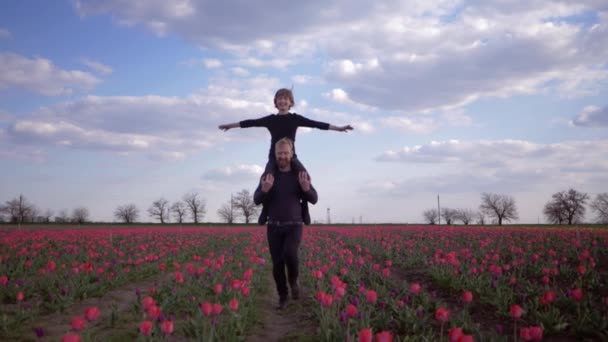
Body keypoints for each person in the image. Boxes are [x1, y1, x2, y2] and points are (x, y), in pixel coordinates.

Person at [219, 88, 352, 224]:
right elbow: (250, 122)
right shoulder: (271, 120)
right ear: (276, 102)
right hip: (273, 157)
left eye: (285, 99)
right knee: (266, 178)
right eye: (279, 98)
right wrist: (231, 126)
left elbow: (316, 124)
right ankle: (265, 208)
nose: (282, 101)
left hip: (291, 157)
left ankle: (304, 206)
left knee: (305, 176)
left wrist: (339, 128)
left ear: (290, 102)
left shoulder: (295, 119)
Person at [253, 137, 317, 310]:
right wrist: (264, 190)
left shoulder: (300, 175)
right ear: (275, 154)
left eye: (285, 153)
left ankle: (294, 281)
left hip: (294, 225)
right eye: (279, 153)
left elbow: (314, 198)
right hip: (273, 225)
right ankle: (283, 296)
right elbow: (256, 199)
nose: (282, 156)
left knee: (290, 253)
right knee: (277, 264)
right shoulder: (268, 176)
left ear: (291, 154)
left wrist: (306, 188)